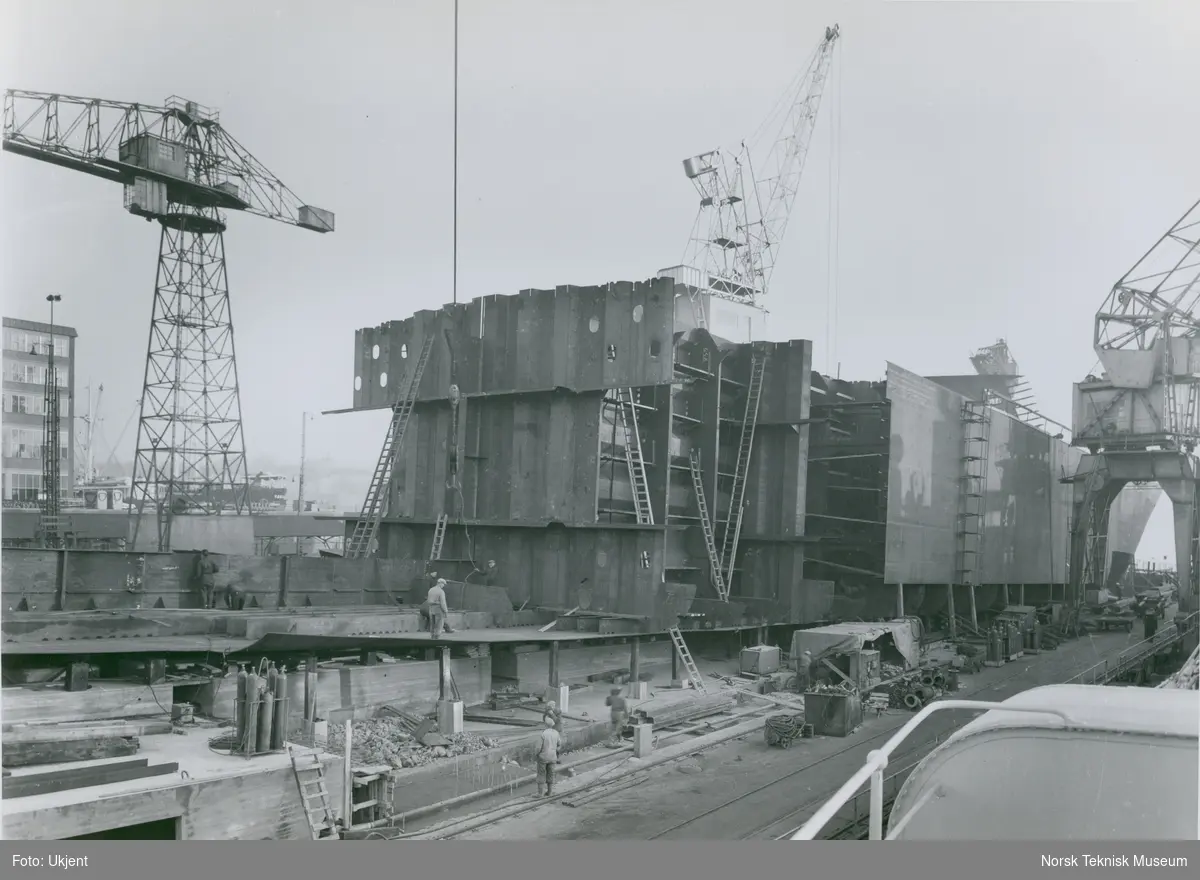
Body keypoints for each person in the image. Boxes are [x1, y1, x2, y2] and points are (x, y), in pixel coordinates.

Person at [536, 718, 561, 798]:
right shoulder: (556, 733)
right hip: (553, 757)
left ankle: (540, 794)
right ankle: (549, 792)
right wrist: (555, 751)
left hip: (543, 757)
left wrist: (536, 755)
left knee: (541, 774)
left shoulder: (543, 734)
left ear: (545, 725)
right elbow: (559, 745)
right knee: (551, 774)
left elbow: (538, 748)